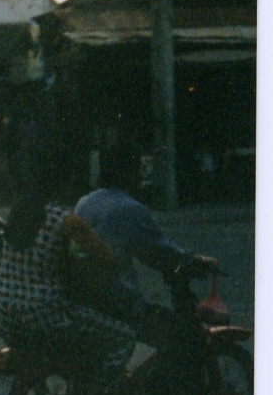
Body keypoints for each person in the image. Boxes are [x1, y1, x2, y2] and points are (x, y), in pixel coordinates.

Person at [0, 188, 137, 393]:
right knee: (123, 337)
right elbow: (107, 258)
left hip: (2, 309)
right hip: (43, 312)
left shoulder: (18, 213)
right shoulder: (66, 220)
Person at [74, 142, 217, 344]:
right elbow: (160, 252)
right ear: (128, 172)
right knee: (176, 337)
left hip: (89, 299)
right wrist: (195, 260)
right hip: (120, 303)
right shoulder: (129, 208)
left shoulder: (85, 202)